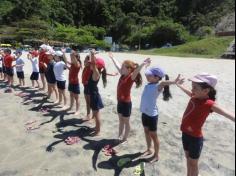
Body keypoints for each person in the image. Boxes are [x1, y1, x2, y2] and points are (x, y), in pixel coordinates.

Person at [176, 73, 235, 176]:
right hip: (185, 134)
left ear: (206, 90)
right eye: (192, 87)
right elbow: (188, 92)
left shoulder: (209, 104)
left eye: (195, 87)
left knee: (193, 164)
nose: (192, 90)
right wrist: (179, 85)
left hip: (195, 138)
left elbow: (226, 113)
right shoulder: (195, 96)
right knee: (188, 159)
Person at [140, 66, 181, 163]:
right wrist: (146, 66)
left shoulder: (158, 86)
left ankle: (156, 155)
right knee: (146, 131)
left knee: (153, 135)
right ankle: (149, 148)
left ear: (157, 78)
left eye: (149, 75)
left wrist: (174, 82)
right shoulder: (149, 84)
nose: (146, 76)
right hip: (144, 113)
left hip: (152, 115)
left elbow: (163, 83)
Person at [109, 52, 151, 144]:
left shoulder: (130, 77)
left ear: (128, 69)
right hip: (120, 102)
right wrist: (112, 58)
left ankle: (125, 138)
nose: (121, 68)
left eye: (123, 67)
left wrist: (143, 63)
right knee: (120, 121)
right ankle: (119, 136)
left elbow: (136, 71)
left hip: (126, 103)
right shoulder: (122, 75)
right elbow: (117, 65)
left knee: (126, 122)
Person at [88, 50, 107, 136]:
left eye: (91, 64)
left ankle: (98, 131)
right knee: (95, 113)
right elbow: (93, 64)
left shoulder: (96, 73)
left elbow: (93, 64)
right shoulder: (95, 72)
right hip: (93, 94)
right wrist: (92, 56)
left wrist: (92, 54)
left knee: (96, 114)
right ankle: (96, 127)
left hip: (94, 96)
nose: (89, 65)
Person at [66, 50, 82, 115]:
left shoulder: (77, 63)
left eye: (73, 58)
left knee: (76, 97)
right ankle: (71, 107)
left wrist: (72, 54)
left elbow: (74, 61)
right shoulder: (73, 63)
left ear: (77, 58)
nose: (71, 59)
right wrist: (64, 53)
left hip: (75, 82)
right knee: (71, 95)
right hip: (70, 82)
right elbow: (66, 60)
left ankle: (77, 110)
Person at [82, 55, 92, 120]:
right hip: (85, 86)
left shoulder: (91, 68)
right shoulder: (85, 68)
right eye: (84, 60)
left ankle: (90, 115)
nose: (84, 61)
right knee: (87, 102)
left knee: (90, 102)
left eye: (85, 60)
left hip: (89, 87)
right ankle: (88, 114)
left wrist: (91, 55)